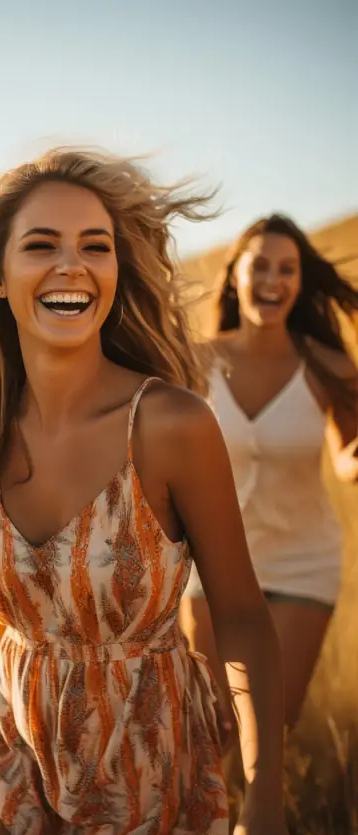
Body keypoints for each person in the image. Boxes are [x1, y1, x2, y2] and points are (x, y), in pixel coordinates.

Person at [0, 149, 299, 835]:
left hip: (148, 759)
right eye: (41, 245)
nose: (73, 266)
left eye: (96, 246)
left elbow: (244, 614)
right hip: (23, 752)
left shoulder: (169, 425)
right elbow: (1, 609)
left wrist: (265, 799)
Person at [181, 214, 358, 736]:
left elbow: (347, 455)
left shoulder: (328, 365)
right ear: (235, 274)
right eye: (260, 267)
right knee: (211, 725)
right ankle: (214, 818)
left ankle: (256, 818)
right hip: (212, 564)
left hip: (303, 564)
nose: (272, 281)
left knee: (272, 723)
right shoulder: (195, 363)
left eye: (287, 269)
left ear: (300, 283)